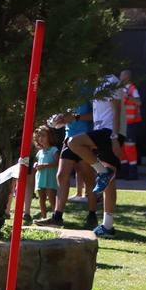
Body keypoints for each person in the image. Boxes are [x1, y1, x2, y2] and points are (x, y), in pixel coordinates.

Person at [35, 96, 102, 229]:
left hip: (85, 139)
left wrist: (76, 117)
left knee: (88, 176)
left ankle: (92, 215)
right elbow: (62, 118)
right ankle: (57, 217)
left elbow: (97, 114)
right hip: (69, 138)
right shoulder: (69, 91)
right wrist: (59, 120)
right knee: (61, 175)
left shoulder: (89, 89)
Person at [89, 73, 125, 237]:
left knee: (73, 142)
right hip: (101, 132)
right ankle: (107, 226)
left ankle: (102, 172)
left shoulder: (111, 81)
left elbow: (117, 110)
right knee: (109, 182)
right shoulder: (97, 83)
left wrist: (115, 137)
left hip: (109, 133)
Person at [33, 126, 60, 219]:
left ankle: (55, 217)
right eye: (39, 136)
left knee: (52, 198)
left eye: (43, 136)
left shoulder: (54, 150)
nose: (41, 138)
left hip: (50, 178)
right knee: (41, 199)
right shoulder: (40, 152)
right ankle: (44, 217)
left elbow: (57, 163)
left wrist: (45, 165)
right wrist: (36, 164)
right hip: (40, 178)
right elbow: (38, 161)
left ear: (50, 137)